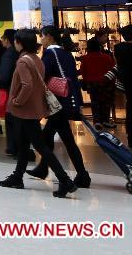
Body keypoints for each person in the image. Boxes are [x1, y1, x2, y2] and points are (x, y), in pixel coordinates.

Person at [0, 29, 77, 198]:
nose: (15, 43)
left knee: (40, 147)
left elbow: (27, 85)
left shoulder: (22, 62)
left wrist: (17, 101)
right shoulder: (36, 59)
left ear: (20, 43)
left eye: (16, 41)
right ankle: (17, 177)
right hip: (33, 109)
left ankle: (65, 181)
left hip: (24, 110)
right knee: (24, 145)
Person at [25, 26, 90, 188]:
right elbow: (73, 79)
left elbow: (42, 75)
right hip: (67, 101)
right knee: (54, 137)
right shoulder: (66, 53)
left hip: (58, 104)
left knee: (56, 139)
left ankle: (81, 175)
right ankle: (43, 168)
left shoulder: (50, 53)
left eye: (43, 36)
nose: (41, 40)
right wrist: (78, 103)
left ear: (50, 37)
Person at [0, 29, 34, 160]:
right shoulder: (24, 55)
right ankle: (15, 148)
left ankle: (19, 150)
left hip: (13, 93)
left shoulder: (8, 55)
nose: (2, 40)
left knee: (13, 121)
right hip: (21, 93)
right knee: (15, 121)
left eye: (4, 38)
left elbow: (4, 77)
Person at [79, 36, 116, 130]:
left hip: (92, 83)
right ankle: (106, 120)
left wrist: (87, 80)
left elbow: (83, 71)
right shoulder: (106, 57)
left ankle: (97, 121)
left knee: (95, 102)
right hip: (106, 82)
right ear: (99, 47)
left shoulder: (85, 58)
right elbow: (112, 70)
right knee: (106, 102)